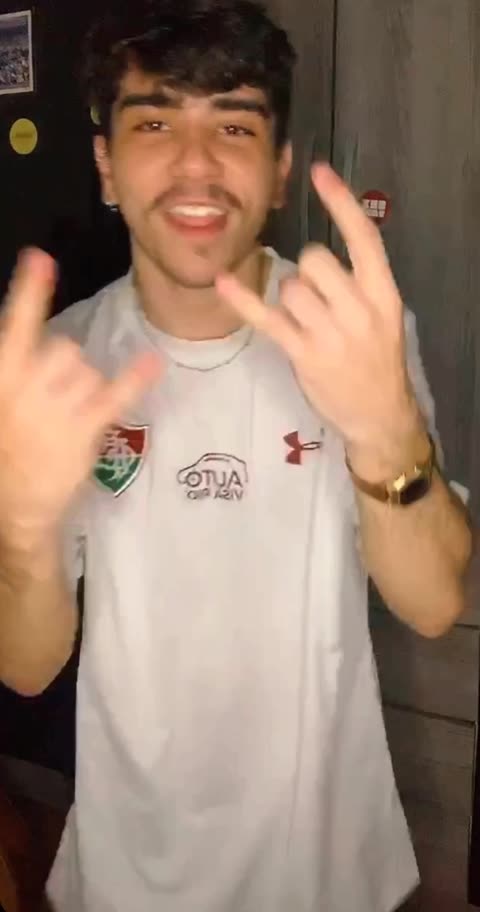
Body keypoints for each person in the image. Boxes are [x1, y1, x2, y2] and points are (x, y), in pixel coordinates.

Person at [0, 1, 472, 910]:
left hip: (327, 867)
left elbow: (433, 605)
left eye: (234, 125)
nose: (195, 163)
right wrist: (21, 534)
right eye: (153, 123)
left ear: (281, 168)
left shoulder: (353, 337)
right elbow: (25, 668)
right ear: (105, 162)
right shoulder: (56, 364)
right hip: (128, 871)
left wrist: (388, 434)